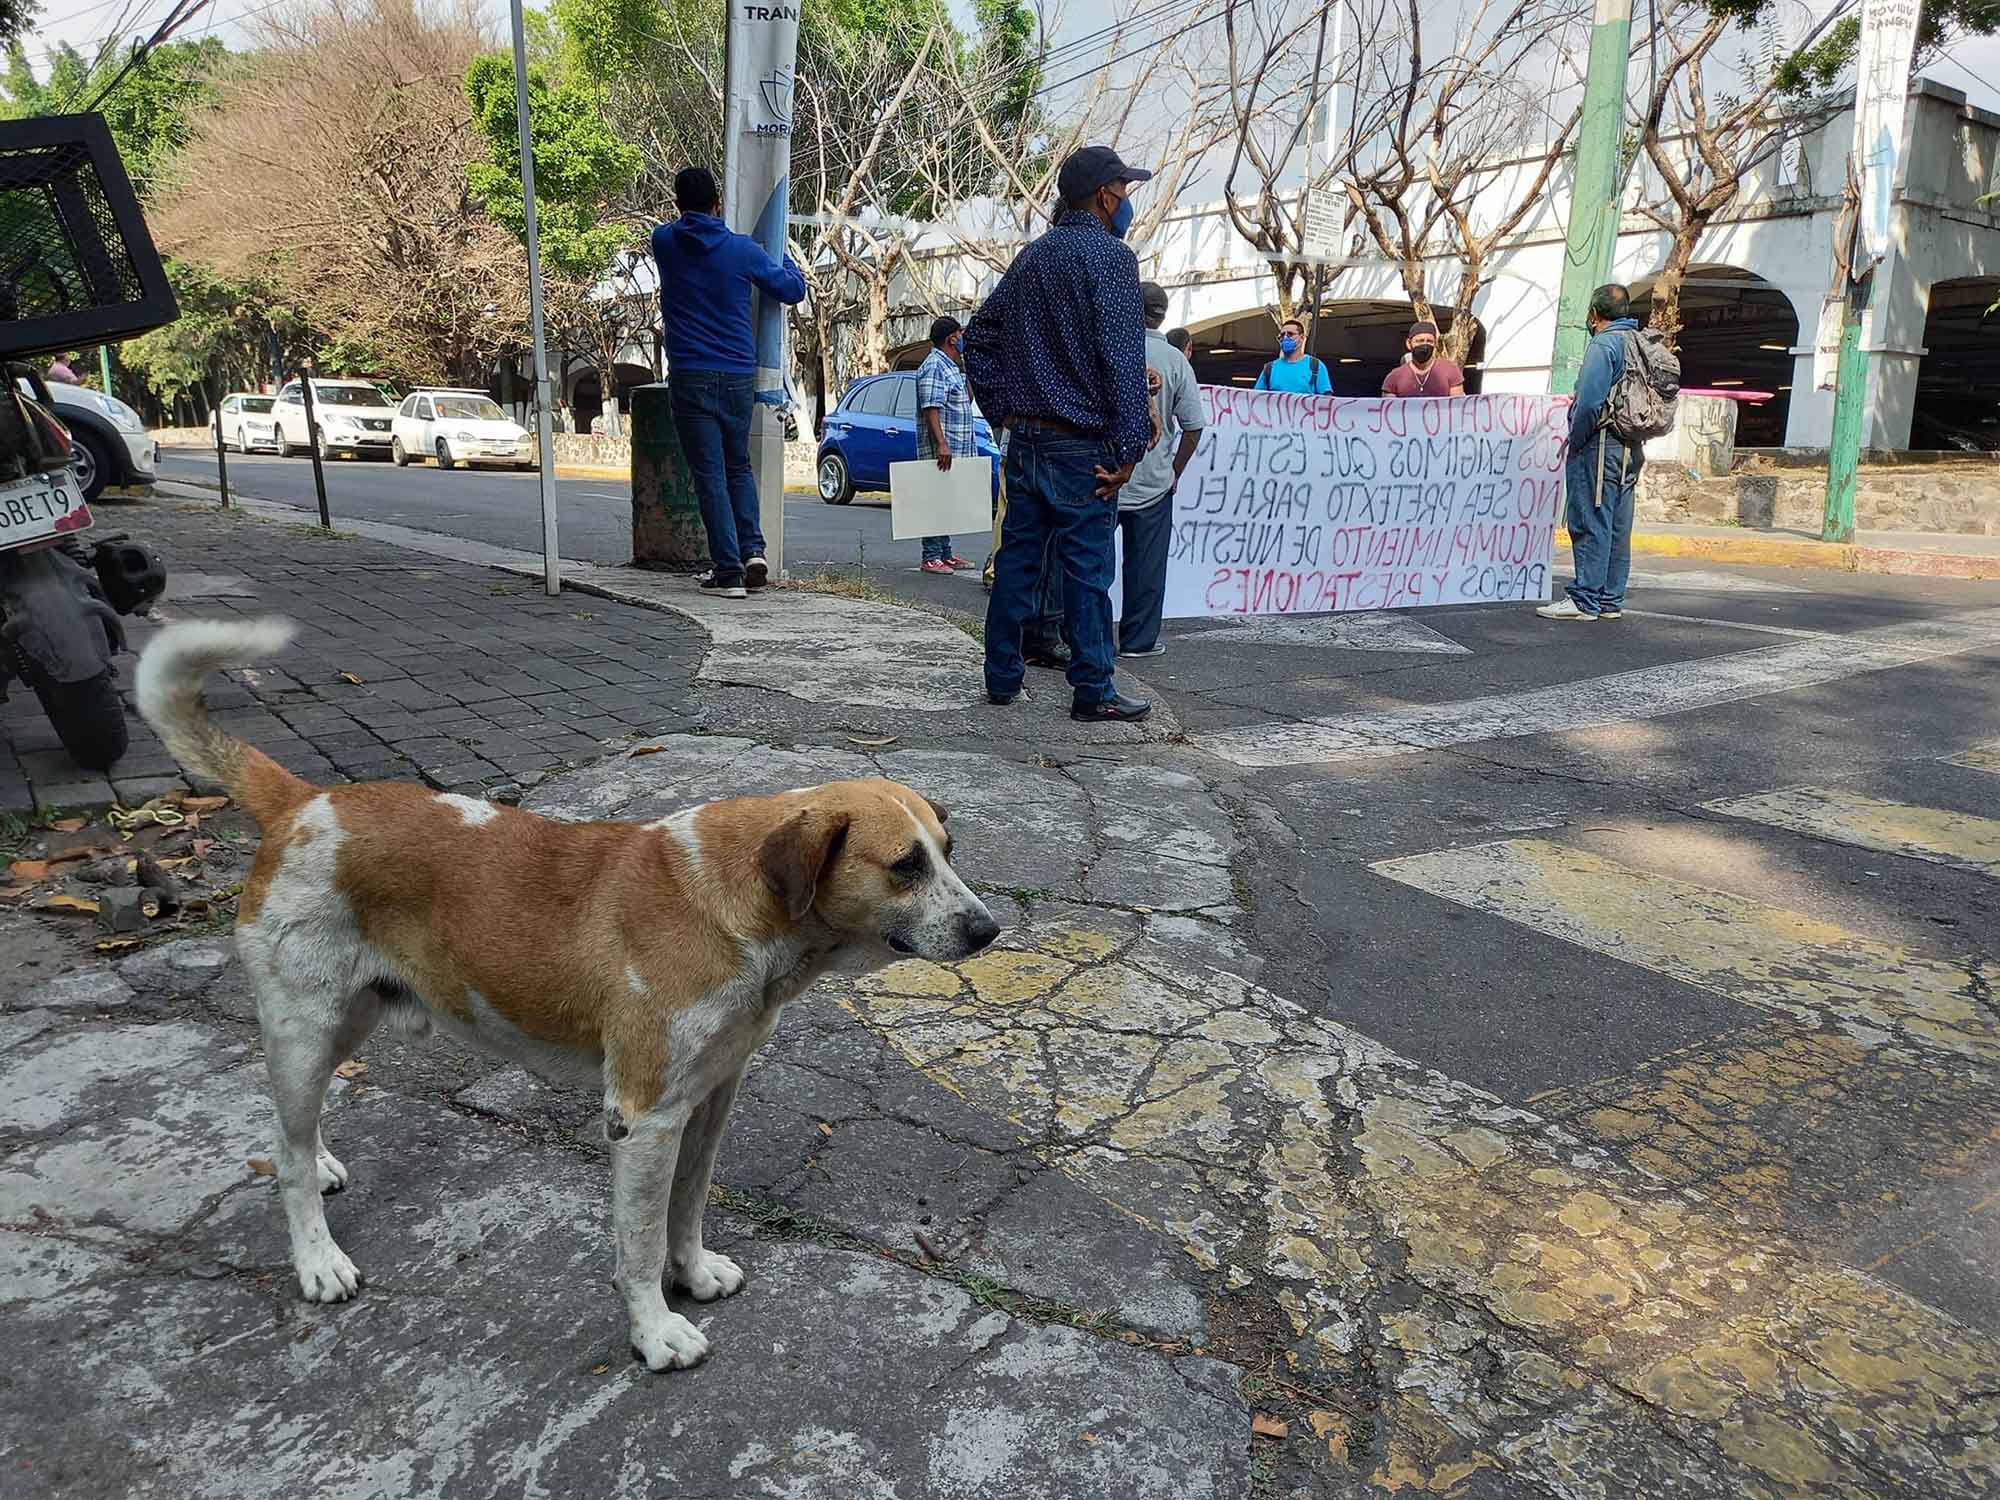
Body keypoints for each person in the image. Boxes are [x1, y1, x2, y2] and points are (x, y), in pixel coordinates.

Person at [964, 144, 1154, 724]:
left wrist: (1001, 408)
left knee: (1019, 560)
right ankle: (1093, 689)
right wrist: (1129, 449)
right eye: (1125, 192)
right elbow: (1122, 359)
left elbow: (978, 336)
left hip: (1025, 442)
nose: (1127, 204)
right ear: (1104, 196)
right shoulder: (1112, 260)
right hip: (1082, 447)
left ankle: (1002, 677)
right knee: (1087, 571)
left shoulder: (1032, 258)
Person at [651, 166, 806, 600]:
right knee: (738, 466)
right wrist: (777, 251)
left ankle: (729, 572)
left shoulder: (664, 242)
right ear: (718, 203)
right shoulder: (744, 251)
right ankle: (753, 550)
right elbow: (792, 289)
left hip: (690, 374)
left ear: (678, 205)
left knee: (709, 474)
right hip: (738, 374)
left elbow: (679, 228)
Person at [1538, 283, 1644, 623]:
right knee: (1617, 524)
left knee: (1591, 519)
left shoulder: (1604, 344)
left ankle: (1585, 599)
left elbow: (1589, 404)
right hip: (1631, 445)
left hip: (1601, 444)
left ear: (1594, 313)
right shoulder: (1639, 342)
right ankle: (1610, 599)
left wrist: (1577, 439)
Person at [1118, 283, 1203, 658]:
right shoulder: (1176, 361)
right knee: (1146, 570)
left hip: (1104, 478)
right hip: (1153, 484)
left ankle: (1085, 637)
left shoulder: (1112, 348)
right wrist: (1174, 473)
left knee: (1090, 568)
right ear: (1163, 316)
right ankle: (1138, 641)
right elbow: (1193, 425)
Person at [914, 316, 978, 574]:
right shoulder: (934, 366)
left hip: (958, 444)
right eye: (961, 334)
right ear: (952, 337)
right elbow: (931, 407)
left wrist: (970, 368)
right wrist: (942, 443)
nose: (963, 339)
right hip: (943, 447)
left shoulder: (951, 365)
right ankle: (930, 556)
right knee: (935, 498)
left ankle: (946, 553)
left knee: (948, 499)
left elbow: (965, 398)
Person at [1382, 320, 1466, 398]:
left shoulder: (1450, 370)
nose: (1425, 345)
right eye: (1420, 341)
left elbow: (1457, 407)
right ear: (1409, 343)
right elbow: (1389, 410)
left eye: (1429, 341)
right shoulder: (1394, 377)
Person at [1254, 317, 1331, 394]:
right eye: (1282, 335)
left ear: (1302, 338)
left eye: (1290, 334)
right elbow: (1256, 398)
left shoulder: (1316, 366)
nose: (1285, 338)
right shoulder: (1269, 368)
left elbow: (1326, 400)